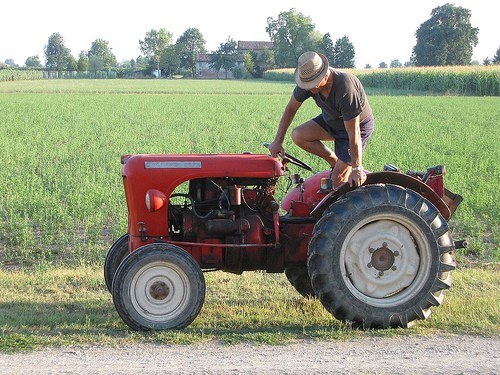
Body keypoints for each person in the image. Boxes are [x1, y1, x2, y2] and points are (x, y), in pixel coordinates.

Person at [269, 51, 374, 188]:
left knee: (338, 178)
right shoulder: (307, 82)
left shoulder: (345, 87)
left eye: (313, 84)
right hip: (331, 120)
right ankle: (334, 161)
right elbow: (290, 110)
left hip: (357, 127)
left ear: (325, 75)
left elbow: (354, 132)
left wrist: (356, 168)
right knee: (299, 135)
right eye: (307, 84)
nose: (309, 88)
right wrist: (278, 141)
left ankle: (342, 191)